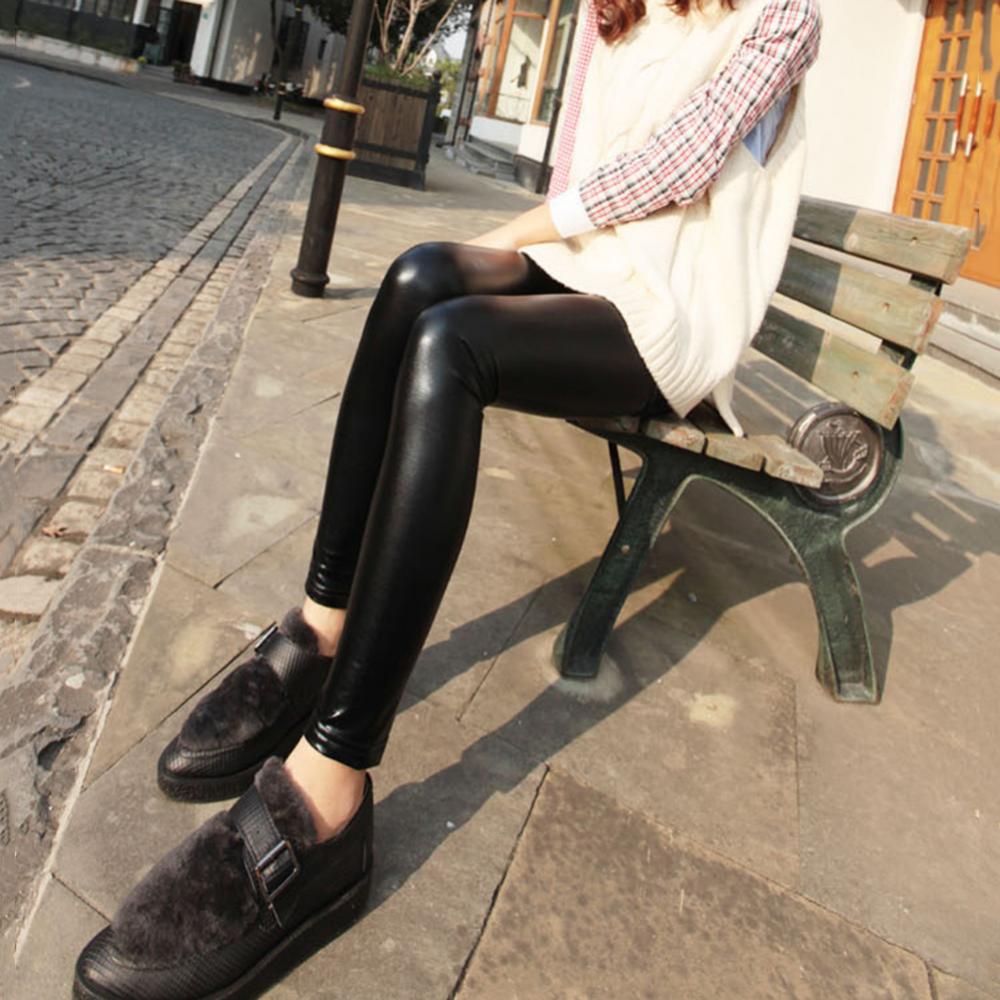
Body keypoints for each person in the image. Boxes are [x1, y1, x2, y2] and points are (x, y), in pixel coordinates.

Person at [73, 0, 821, 996]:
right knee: (417, 274)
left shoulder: (783, 15)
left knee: (450, 344)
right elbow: (582, 167)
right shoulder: (619, 14)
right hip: (591, 271)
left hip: (670, 321)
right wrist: (509, 248)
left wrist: (508, 236)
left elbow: (676, 168)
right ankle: (320, 630)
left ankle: (330, 789)